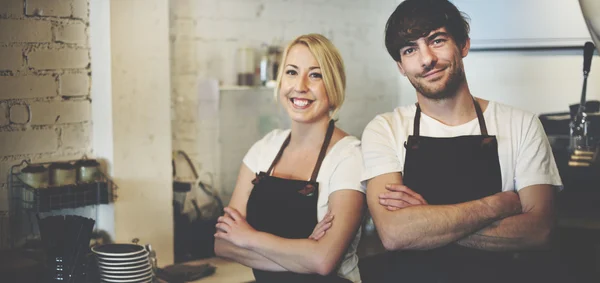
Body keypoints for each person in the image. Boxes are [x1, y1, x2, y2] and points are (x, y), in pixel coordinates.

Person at [360, 0, 563, 282]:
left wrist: (425, 223)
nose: (426, 58)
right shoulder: (384, 129)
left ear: (464, 45)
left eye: (437, 40)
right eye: (410, 49)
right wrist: (498, 205)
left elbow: (540, 231)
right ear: (401, 66)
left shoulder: (522, 124)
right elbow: (395, 233)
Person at [214, 33, 365, 283]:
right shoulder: (264, 149)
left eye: (315, 74)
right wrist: (303, 252)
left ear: (334, 84)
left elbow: (324, 260)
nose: (300, 86)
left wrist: (249, 238)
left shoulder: (349, 157)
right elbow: (223, 244)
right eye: (292, 72)